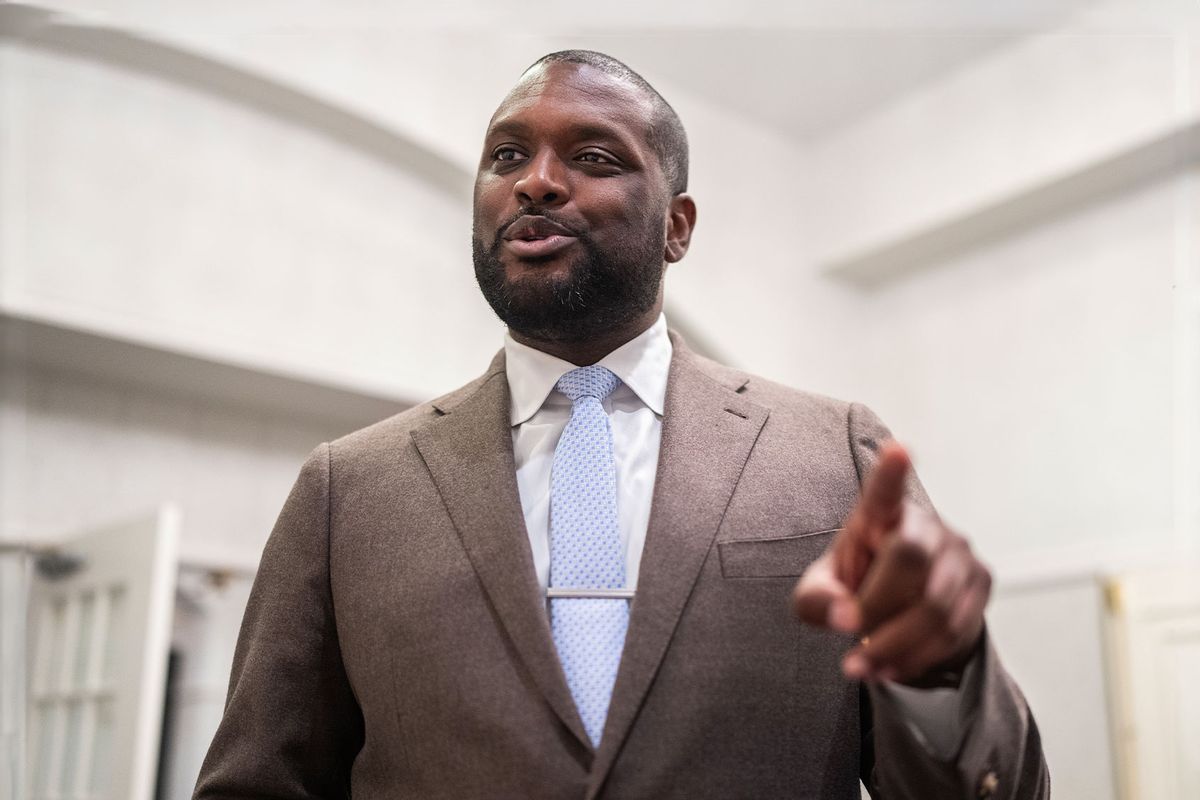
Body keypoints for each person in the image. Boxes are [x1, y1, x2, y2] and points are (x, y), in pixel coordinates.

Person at [194, 50, 1048, 799]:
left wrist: (944, 672)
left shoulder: (835, 453)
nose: (535, 180)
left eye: (593, 156)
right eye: (506, 156)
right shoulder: (350, 489)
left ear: (677, 227)